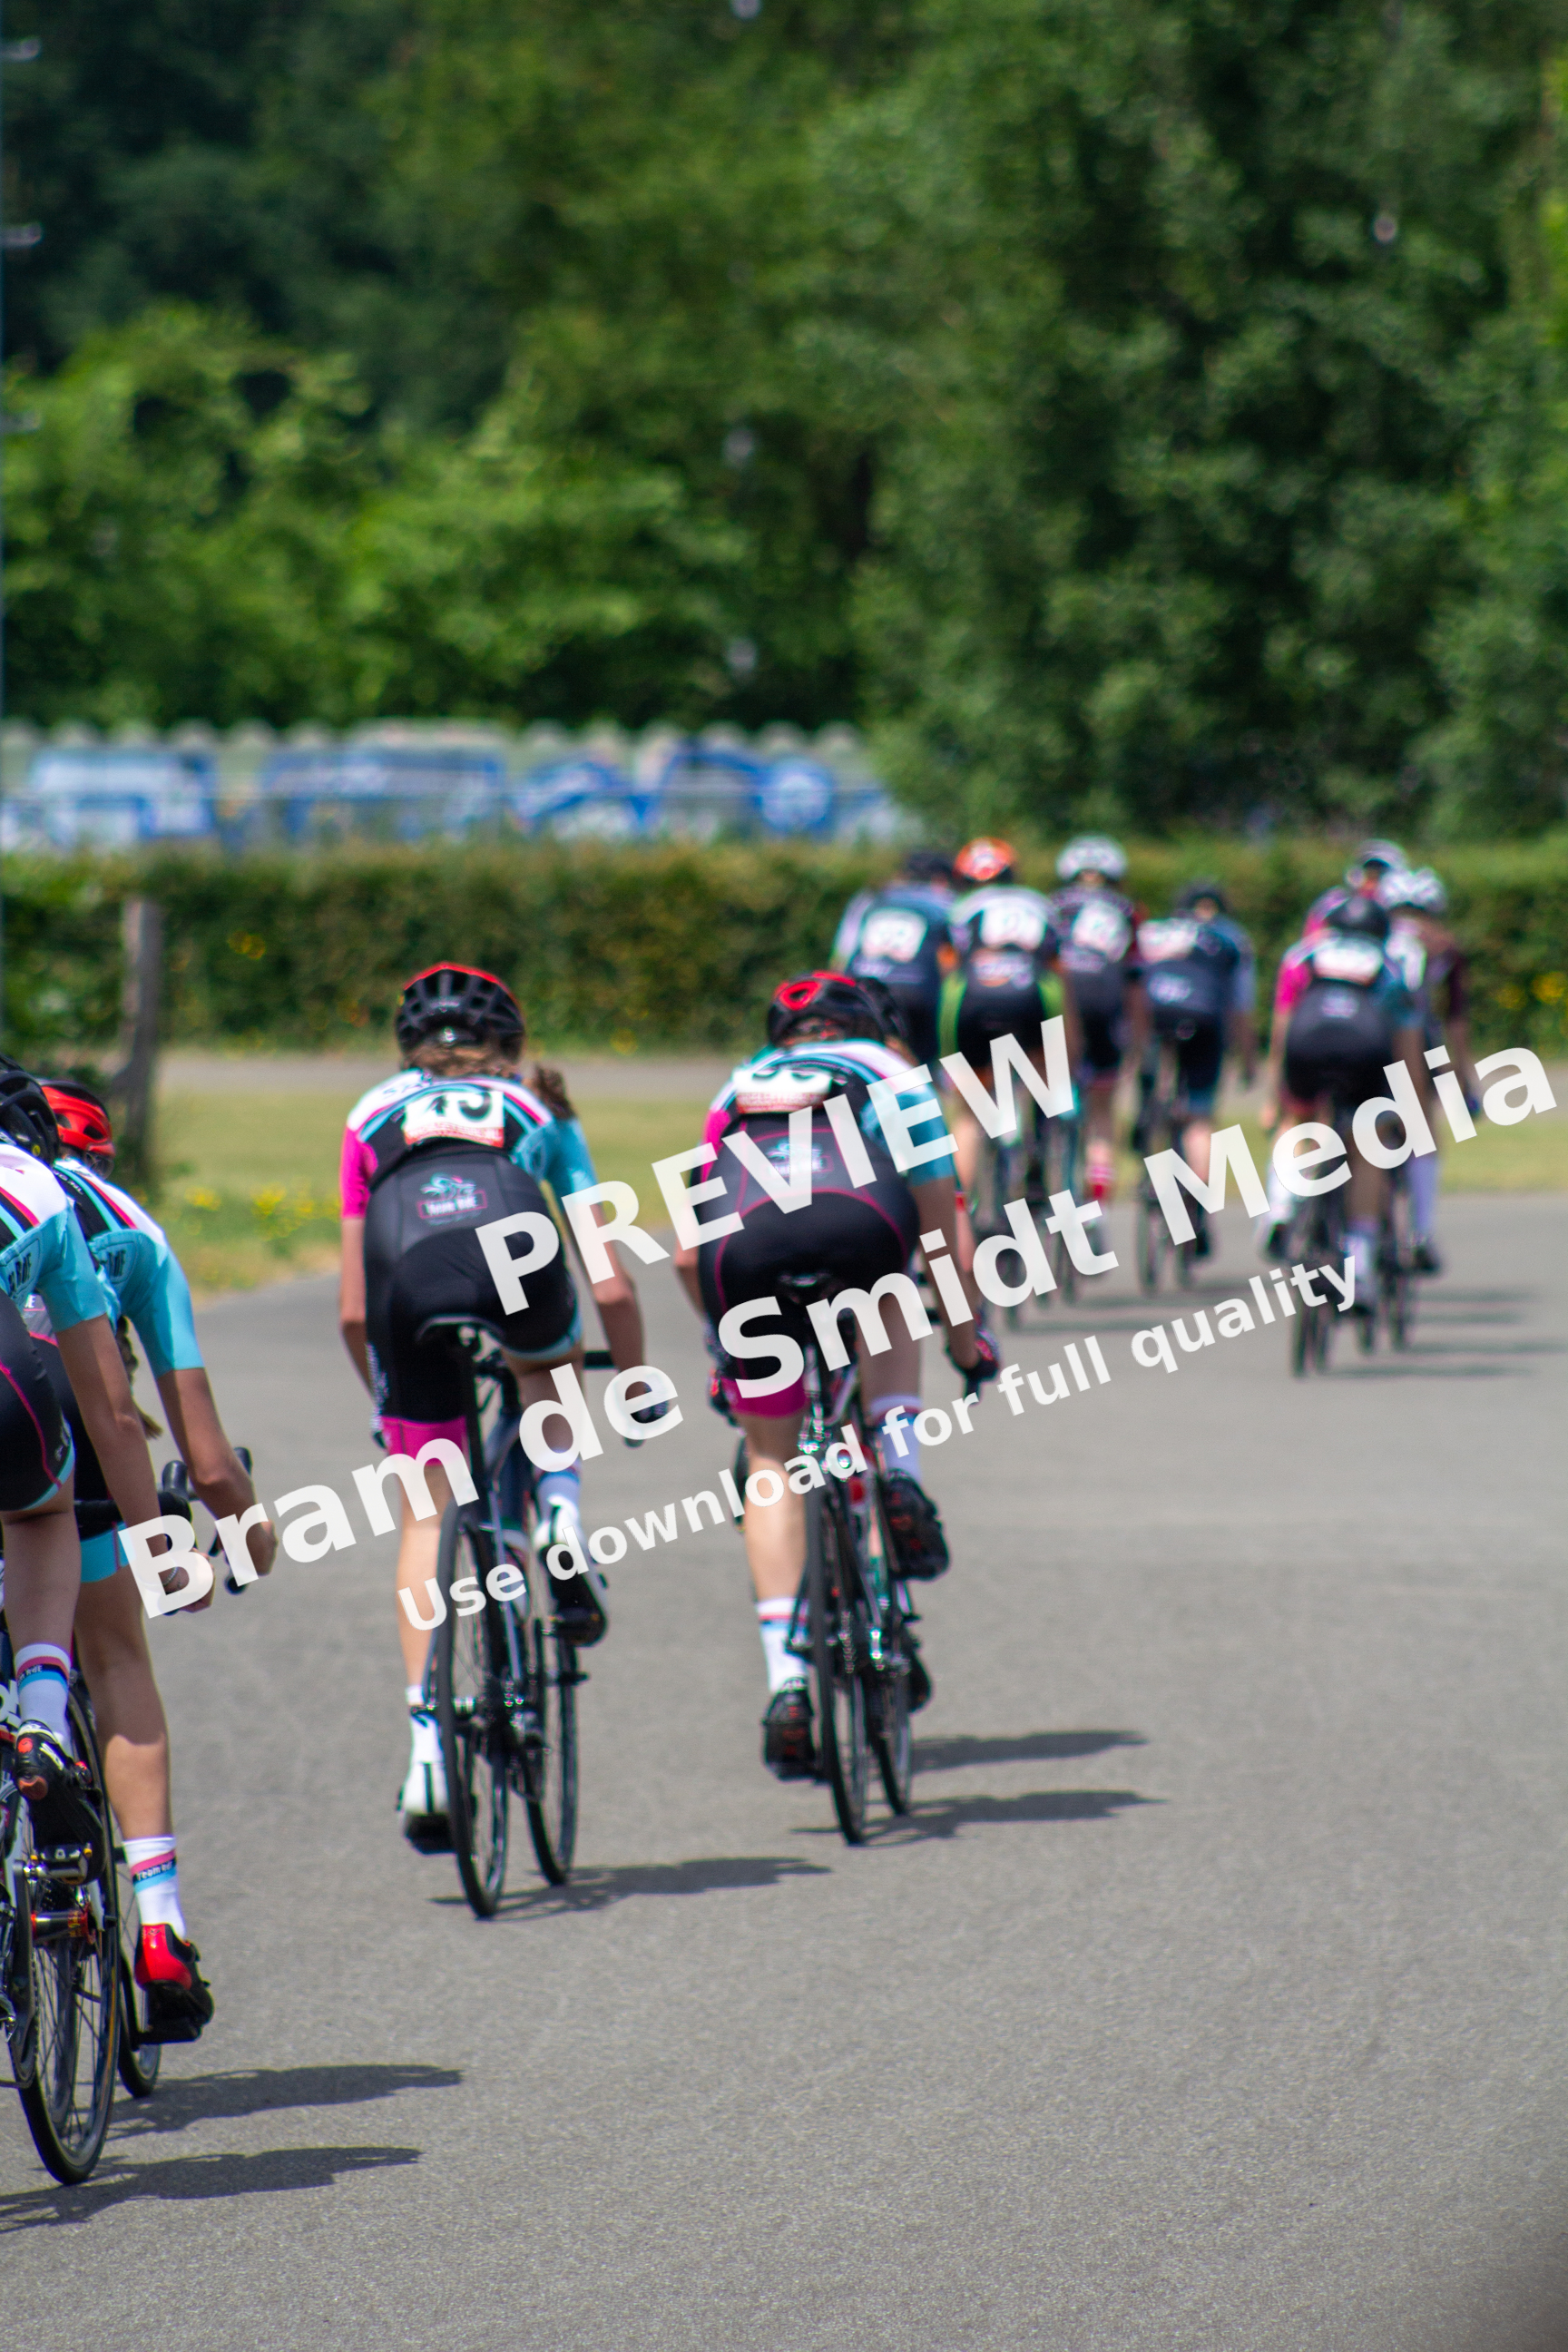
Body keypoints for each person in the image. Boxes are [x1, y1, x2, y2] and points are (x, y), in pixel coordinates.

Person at [338, 965, 644, 1851]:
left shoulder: (369, 1116)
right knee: (548, 1381)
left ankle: (428, 1750)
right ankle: (558, 1515)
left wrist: (384, 1402)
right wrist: (628, 1378)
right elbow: (610, 1283)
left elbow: (354, 1309)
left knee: (426, 1515)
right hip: (518, 1266)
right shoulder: (538, 1113)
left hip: (406, 1288)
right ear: (509, 1048)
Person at [672, 971, 998, 1779]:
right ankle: (898, 1467)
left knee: (772, 1459)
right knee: (892, 1288)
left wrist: (728, 1348)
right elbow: (944, 1230)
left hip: (744, 1253)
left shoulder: (737, 1084)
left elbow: (686, 1251)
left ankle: (787, 1681)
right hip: (859, 1229)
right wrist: (968, 1339)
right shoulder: (893, 1075)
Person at [30, 1075, 275, 2038]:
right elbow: (204, 1458)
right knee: (117, 1655)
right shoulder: (122, 1222)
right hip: (80, 1446)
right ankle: (162, 1922)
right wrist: (244, 1536)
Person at [0, 1063, 165, 1876]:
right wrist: (166, 1546)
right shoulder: (45, 1185)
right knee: (39, 1514)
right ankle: (40, 1713)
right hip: (19, 1392)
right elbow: (116, 1412)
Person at [1257, 897, 1426, 1295]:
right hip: (1365, 1055)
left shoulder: (1302, 957)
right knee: (1369, 1144)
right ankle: (1360, 1260)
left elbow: (1282, 1029)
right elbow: (1407, 1046)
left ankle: (1282, 1206)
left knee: (1298, 1120)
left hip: (1306, 1049)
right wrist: (1410, 1114)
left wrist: (1273, 1093)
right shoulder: (1391, 966)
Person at [940, 837, 1079, 1207]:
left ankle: (961, 1213)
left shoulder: (960, 908)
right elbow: (1059, 972)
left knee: (969, 1114)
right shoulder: (1040, 904)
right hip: (1030, 990)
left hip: (974, 993)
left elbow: (949, 972)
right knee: (1046, 1068)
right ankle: (1040, 1139)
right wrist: (1069, 1047)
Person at [1133, 882, 1255, 1259]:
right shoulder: (1231, 938)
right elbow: (1241, 1004)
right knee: (1199, 1117)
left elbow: (1130, 985)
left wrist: (1133, 1048)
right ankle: (1196, 1202)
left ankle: (1148, 1126)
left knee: (1152, 1090)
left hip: (1155, 1016)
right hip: (1204, 1020)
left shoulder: (1152, 931)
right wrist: (1247, 1057)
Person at [1377, 867, 1477, 1275]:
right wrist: (1464, 1081)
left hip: (1366, 1039)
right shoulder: (1444, 947)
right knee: (1423, 1131)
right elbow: (1456, 1020)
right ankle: (1421, 1231)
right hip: (1418, 1042)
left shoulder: (1371, 938)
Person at [1044, 836, 1145, 1203]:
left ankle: (1038, 1154)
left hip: (1062, 996)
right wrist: (1137, 1038)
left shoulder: (1052, 906)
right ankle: (1098, 1184)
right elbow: (1136, 981)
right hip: (1106, 997)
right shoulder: (1126, 909)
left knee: (1044, 1080)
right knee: (1103, 1102)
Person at [831, 849, 956, 1067]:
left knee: (866, 1064)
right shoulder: (946, 901)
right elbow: (951, 958)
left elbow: (840, 957)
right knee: (923, 1064)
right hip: (917, 989)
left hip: (863, 989)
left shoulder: (869, 899)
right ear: (941, 878)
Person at [1302, 839, 1407, 941]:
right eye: (1369, 873)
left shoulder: (1403, 911)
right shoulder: (1333, 902)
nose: (1371, 884)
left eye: (1379, 875)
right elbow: (1311, 941)